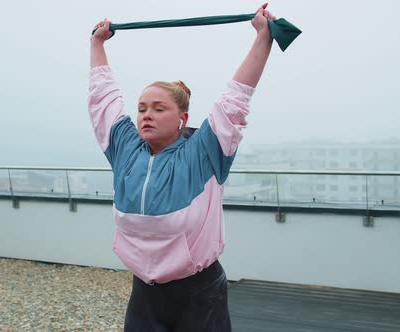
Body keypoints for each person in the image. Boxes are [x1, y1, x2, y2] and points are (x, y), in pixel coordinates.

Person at [88, 4, 276, 331]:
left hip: (198, 294)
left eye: (159, 108)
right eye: (142, 108)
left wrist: (263, 38)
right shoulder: (125, 149)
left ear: (182, 119)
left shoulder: (203, 152)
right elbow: (103, 100)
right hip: (144, 293)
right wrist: (97, 44)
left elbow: (234, 101)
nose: (146, 114)